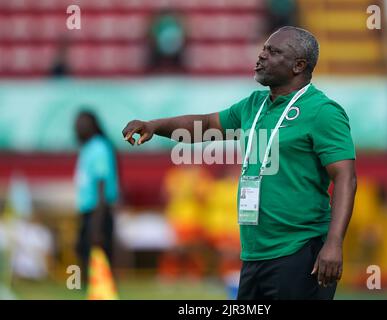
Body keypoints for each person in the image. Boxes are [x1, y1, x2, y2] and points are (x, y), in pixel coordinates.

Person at [122, 26, 357, 300]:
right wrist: (154, 125)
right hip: (254, 253)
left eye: (273, 52)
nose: (262, 56)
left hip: (299, 251)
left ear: (298, 65)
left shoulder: (323, 112)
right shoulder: (254, 104)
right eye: (264, 49)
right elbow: (207, 124)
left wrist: (334, 243)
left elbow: (345, 178)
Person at [74, 111, 119, 288]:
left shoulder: (99, 147)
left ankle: (98, 291)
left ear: (92, 125)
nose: (76, 127)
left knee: (97, 257)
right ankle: (83, 289)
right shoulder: (87, 148)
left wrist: (97, 223)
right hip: (89, 210)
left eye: (81, 123)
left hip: (98, 211)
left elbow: (102, 183)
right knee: (82, 252)